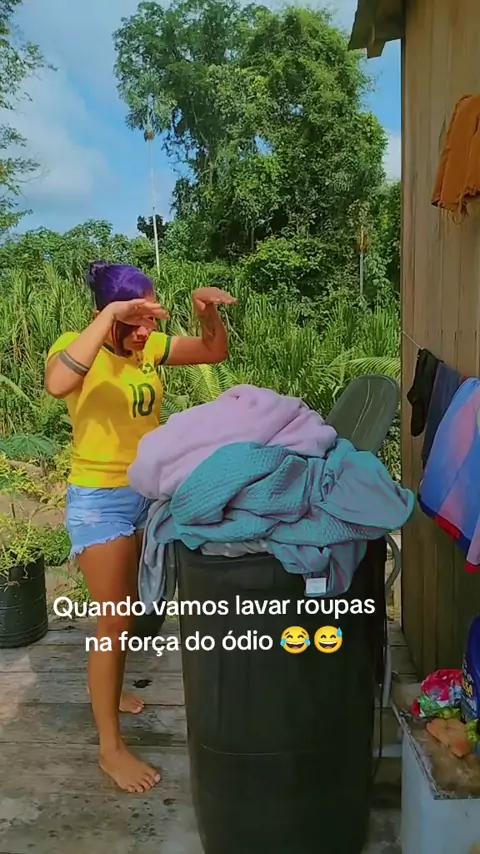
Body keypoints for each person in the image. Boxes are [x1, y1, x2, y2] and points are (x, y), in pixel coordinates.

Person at [45, 261, 237, 794]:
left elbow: (213, 352)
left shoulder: (147, 349)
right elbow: (58, 383)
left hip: (147, 495)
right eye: (136, 320)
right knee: (115, 619)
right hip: (100, 502)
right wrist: (110, 316)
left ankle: (111, 689)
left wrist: (205, 313)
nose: (146, 330)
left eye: (151, 317)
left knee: (131, 607)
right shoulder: (76, 346)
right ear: (109, 316)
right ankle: (110, 749)